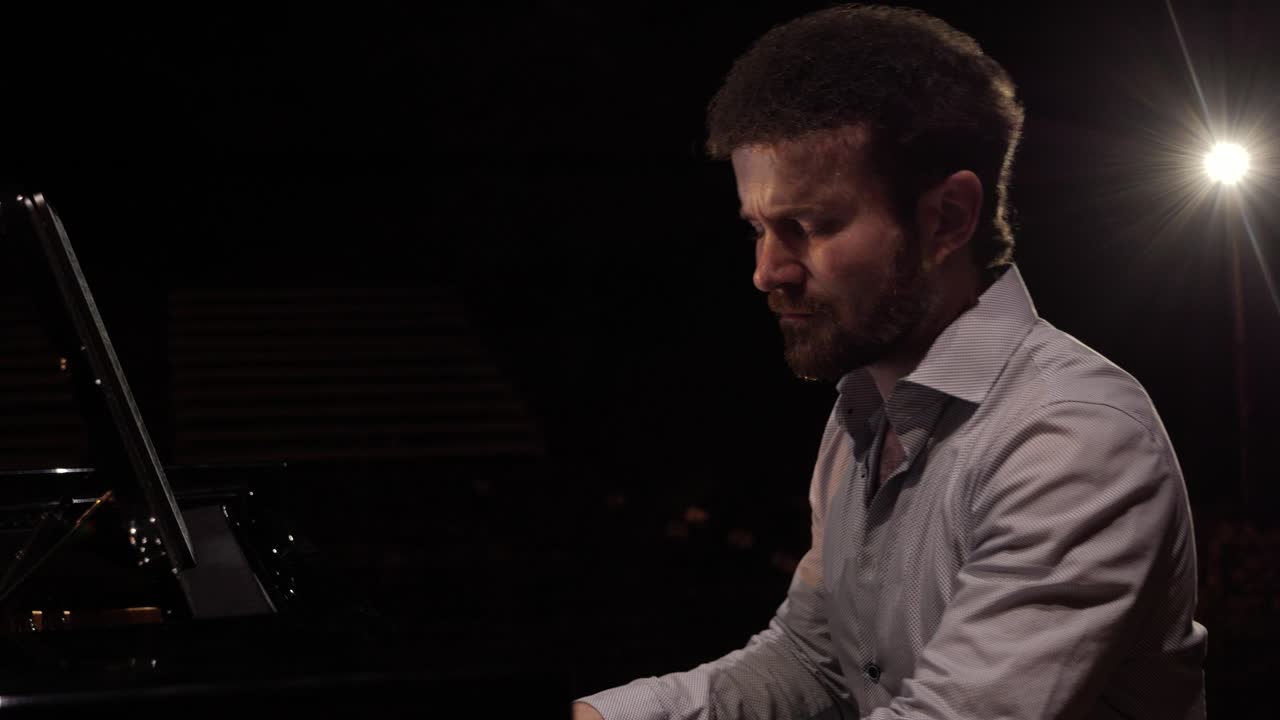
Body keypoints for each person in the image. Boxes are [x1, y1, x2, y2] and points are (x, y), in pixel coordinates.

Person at [573, 4, 1207, 719]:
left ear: (947, 218)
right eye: (757, 229)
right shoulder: (862, 413)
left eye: (807, 225)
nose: (766, 271)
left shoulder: (1072, 436)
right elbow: (812, 660)